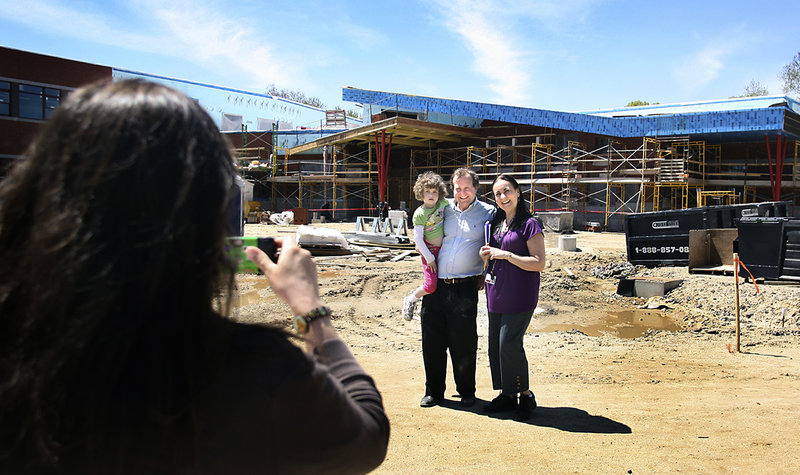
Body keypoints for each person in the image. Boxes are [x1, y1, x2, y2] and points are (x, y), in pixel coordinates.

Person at [0, 79, 389, 474]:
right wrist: (310, 310)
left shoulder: (19, 345)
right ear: (204, 214)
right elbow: (366, 438)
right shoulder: (249, 369)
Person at [418, 168, 495, 408]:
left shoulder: (489, 213)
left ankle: (466, 391)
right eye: (458, 188)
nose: (462, 193)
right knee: (432, 342)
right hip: (436, 286)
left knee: (464, 343)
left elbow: (495, 243)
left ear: (476, 188)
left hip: (465, 288)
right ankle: (434, 391)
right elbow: (421, 228)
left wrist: (484, 273)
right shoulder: (442, 207)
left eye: (467, 188)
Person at [479, 174, 545, 421]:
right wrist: (486, 254)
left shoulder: (529, 224)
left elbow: (539, 263)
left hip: (520, 294)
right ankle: (507, 395)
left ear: (518, 192)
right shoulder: (497, 223)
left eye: (506, 191)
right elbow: (492, 253)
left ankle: (525, 395)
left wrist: (504, 254)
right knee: (495, 346)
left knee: (509, 344)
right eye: (497, 193)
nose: (503, 197)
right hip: (496, 292)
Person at [402, 171, 449, 321]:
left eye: (434, 192)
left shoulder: (442, 204)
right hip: (429, 253)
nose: (431, 195)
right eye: (427, 191)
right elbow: (418, 239)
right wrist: (429, 258)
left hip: (442, 251)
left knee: (442, 283)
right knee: (430, 286)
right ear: (420, 193)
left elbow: (457, 203)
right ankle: (411, 299)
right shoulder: (419, 214)